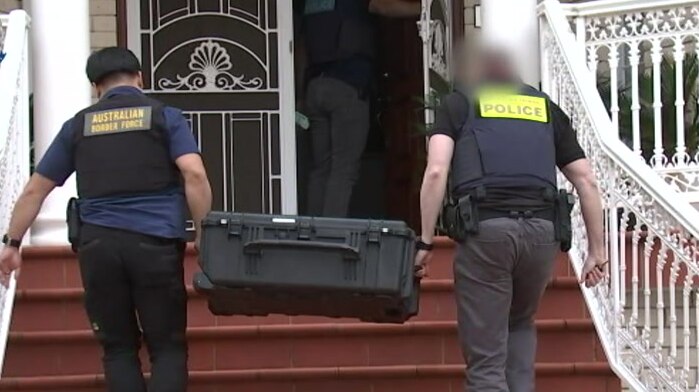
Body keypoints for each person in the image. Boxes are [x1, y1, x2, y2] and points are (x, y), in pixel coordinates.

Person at [0, 47, 212, 392]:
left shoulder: (78, 126)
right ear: (139, 78)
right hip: (155, 245)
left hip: (97, 247)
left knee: (118, 349)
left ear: (96, 86)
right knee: (168, 348)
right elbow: (195, 175)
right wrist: (203, 235)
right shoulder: (165, 117)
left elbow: (34, 191)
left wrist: (11, 243)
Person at [414, 45, 607, 392]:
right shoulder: (544, 107)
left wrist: (426, 240)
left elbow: (436, 171)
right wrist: (597, 249)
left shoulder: (459, 104)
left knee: (487, 357)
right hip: (542, 236)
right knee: (519, 322)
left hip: (486, 232)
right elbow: (587, 180)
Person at [301, 0, 420, 217]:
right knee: (343, 169)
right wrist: (426, 10)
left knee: (321, 169)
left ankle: (311, 236)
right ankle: (330, 237)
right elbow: (382, 5)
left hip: (315, 86)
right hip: (347, 85)